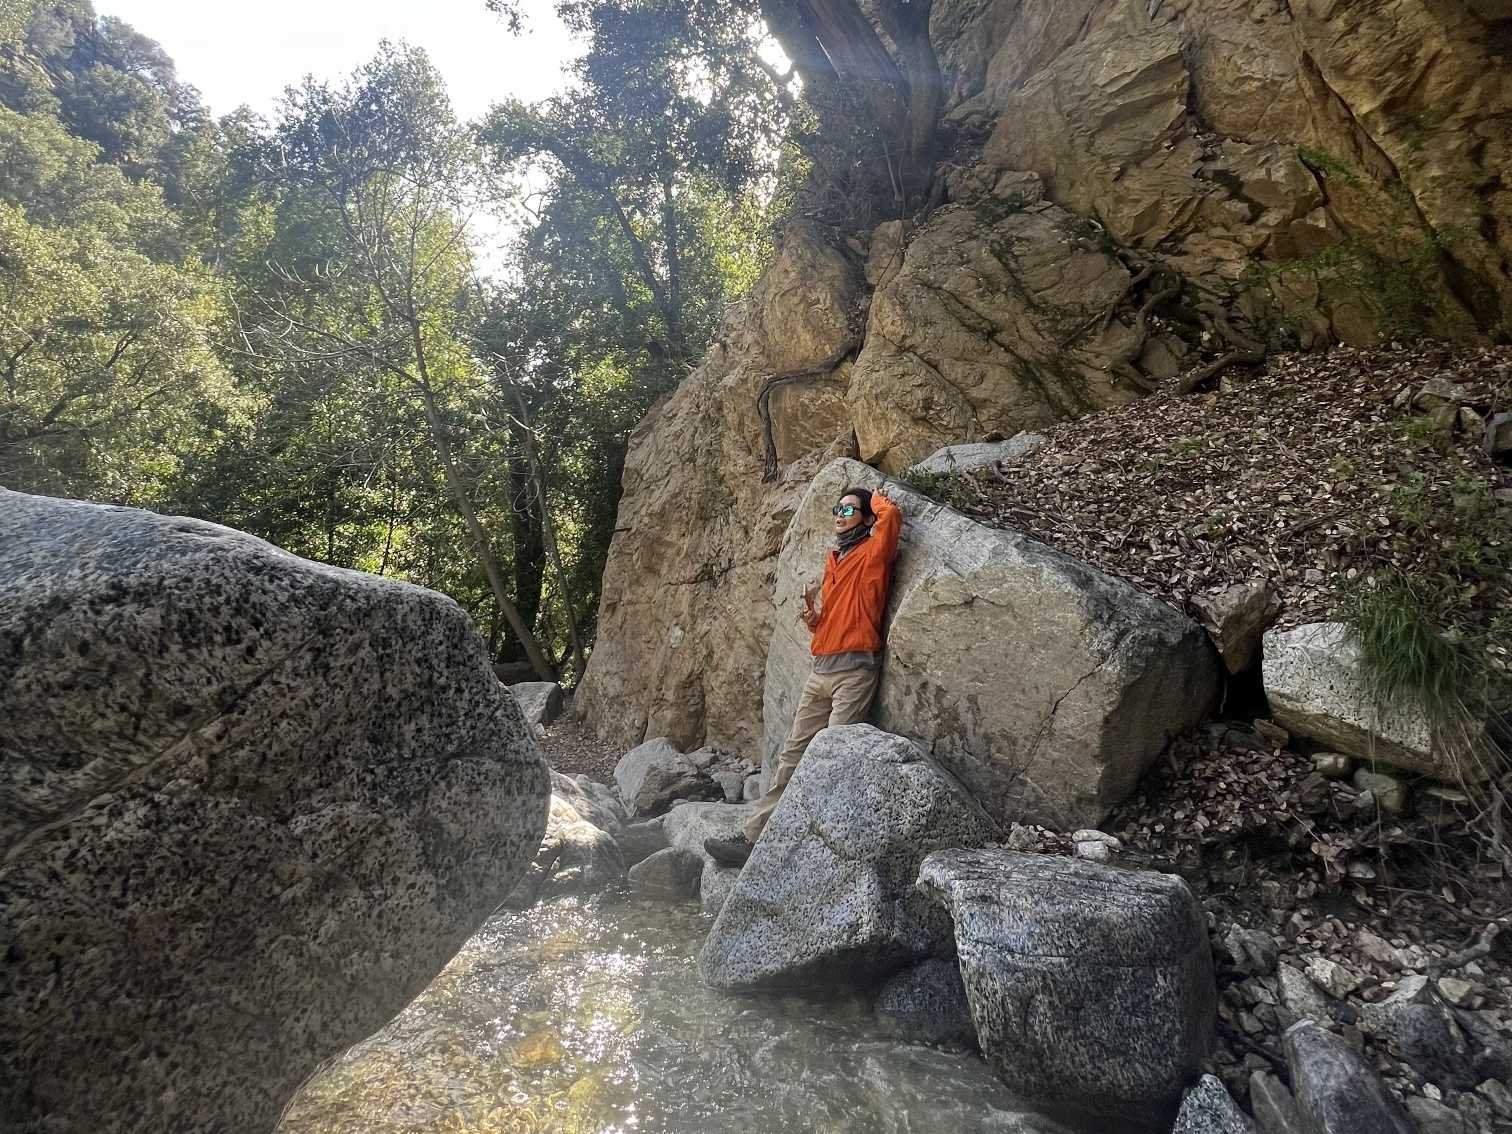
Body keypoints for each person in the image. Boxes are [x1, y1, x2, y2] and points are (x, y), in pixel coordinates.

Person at [704, 485, 901, 867]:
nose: (840, 514)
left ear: (866, 518)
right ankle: (753, 839)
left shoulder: (873, 553)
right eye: (837, 509)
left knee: (834, 762)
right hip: (820, 671)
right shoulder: (835, 559)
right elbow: (837, 617)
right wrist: (815, 619)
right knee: (792, 757)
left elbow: (891, 517)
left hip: (854, 674)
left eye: (849, 509)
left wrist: (875, 497)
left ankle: (823, 853)